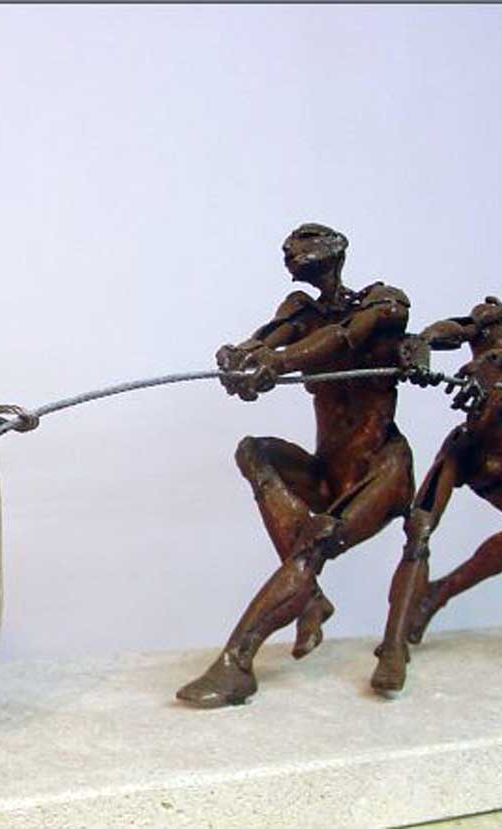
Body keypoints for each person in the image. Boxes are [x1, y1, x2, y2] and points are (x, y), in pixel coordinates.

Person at [177, 223, 416, 708]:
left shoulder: (385, 304)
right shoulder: (300, 310)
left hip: (380, 469)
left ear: (336, 250)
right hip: (329, 471)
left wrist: (279, 364)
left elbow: (342, 338)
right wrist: (241, 357)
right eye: (289, 245)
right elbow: (270, 337)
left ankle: (237, 663)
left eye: (305, 240)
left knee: (315, 541)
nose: (291, 248)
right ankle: (309, 598)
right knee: (254, 451)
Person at [370, 278, 502, 695]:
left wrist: (493, 361)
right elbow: (455, 330)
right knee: (419, 529)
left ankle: (439, 592)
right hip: (466, 451)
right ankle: (393, 646)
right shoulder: (491, 323)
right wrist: (424, 342)